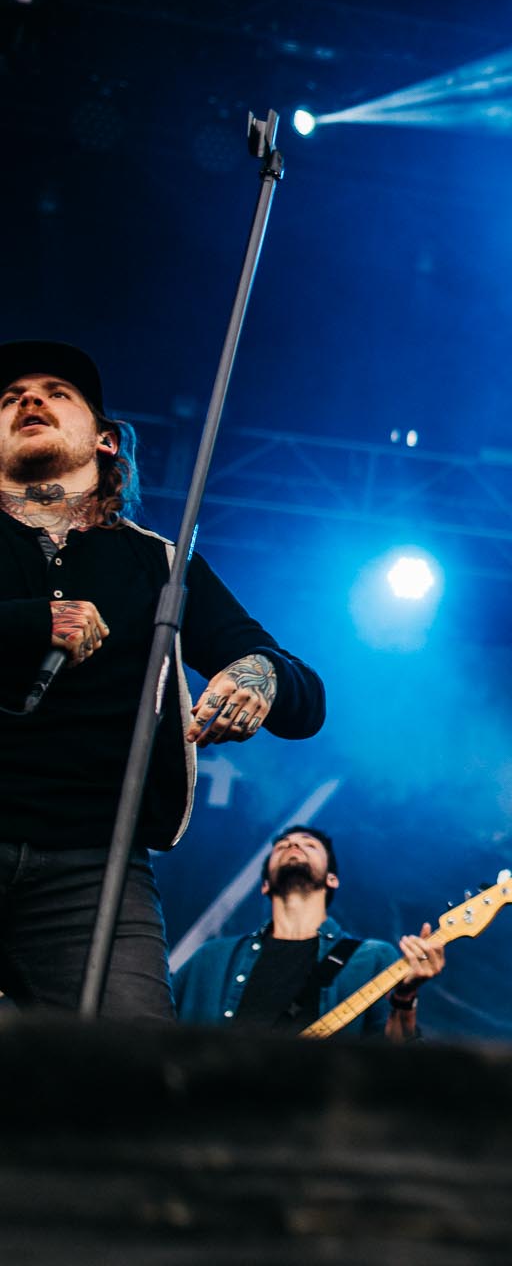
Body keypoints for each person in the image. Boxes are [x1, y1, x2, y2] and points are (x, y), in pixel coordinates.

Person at [0, 339, 325, 1019]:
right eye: (9, 398)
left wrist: (258, 674)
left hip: (93, 868)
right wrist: (33, 623)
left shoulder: (161, 566)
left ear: (107, 442)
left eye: (56, 392)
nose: (29, 400)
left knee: (134, 1068)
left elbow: (305, 697)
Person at [173, 825, 445, 1041]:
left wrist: (404, 999)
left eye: (309, 844)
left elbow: (396, 1060)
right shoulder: (211, 959)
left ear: (332, 879)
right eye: (282, 846)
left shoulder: (371, 958)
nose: (293, 845)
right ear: (265, 885)